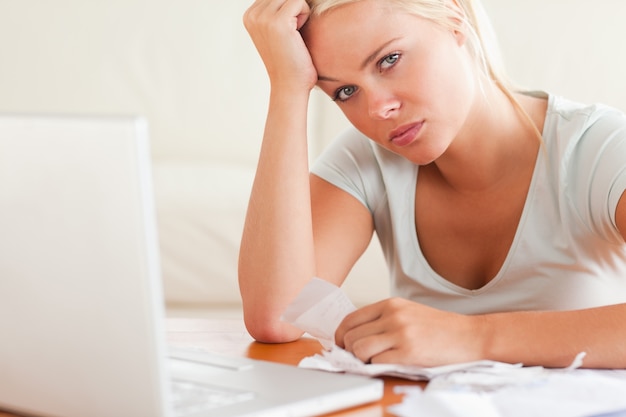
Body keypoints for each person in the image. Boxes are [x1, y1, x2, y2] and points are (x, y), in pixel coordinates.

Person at [238, 0, 626, 369]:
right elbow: (277, 316)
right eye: (345, 91)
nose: (377, 108)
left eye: (389, 60)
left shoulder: (599, 148)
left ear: (453, 17)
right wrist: (287, 87)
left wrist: (473, 337)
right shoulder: (368, 160)